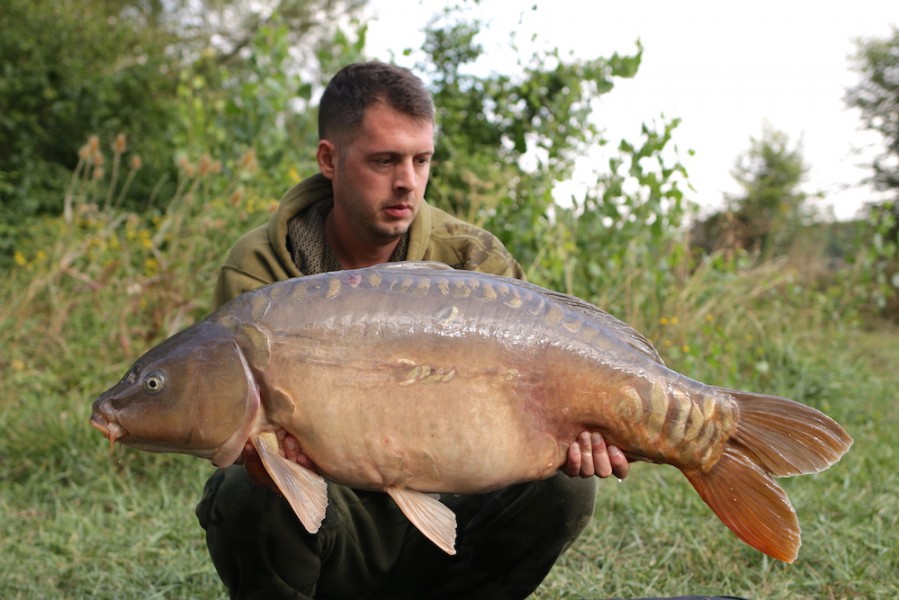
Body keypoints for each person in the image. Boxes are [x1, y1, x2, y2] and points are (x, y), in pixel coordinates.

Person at [196, 61, 632, 600]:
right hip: (334, 523)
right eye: (384, 160)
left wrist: (585, 429)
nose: (407, 181)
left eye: (421, 160)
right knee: (246, 492)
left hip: (452, 515)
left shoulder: (473, 261)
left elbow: (546, 381)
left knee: (566, 489)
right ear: (330, 159)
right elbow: (232, 426)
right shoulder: (260, 268)